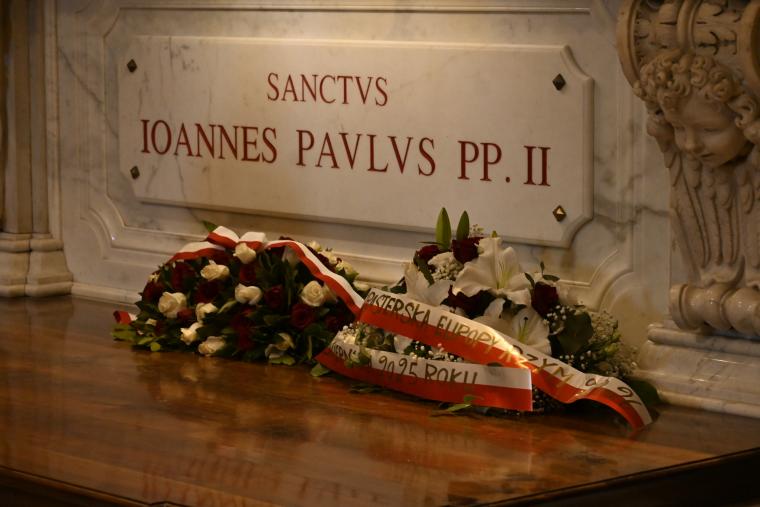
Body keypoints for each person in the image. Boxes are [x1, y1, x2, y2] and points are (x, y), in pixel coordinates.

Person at [634, 49, 760, 333]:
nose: (690, 145)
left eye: (710, 130)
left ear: (746, 117)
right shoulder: (692, 163)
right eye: (678, 128)